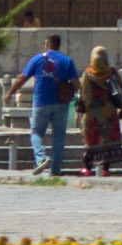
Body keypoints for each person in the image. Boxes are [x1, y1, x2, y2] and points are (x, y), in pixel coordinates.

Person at [14, 35, 80, 178]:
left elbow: (22, 78)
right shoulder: (67, 61)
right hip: (61, 103)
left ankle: (41, 158)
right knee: (58, 136)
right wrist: (69, 90)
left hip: (41, 102)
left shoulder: (37, 59)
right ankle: (55, 170)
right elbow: (76, 83)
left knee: (36, 132)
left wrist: (10, 92)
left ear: (48, 44)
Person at [75, 49, 122, 178]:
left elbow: (83, 96)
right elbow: (120, 91)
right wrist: (121, 107)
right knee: (107, 140)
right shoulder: (112, 73)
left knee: (91, 141)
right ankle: (105, 169)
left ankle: (87, 167)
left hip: (92, 115)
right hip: (109, 113)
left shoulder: (87, 74)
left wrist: (79, 113)